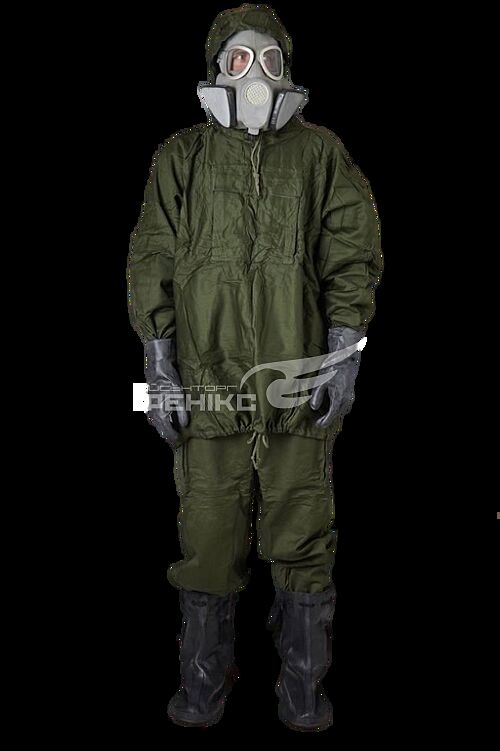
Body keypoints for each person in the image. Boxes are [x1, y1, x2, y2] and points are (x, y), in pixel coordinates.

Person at [127, 2, 383, 732]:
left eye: (269, 59)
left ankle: (302, 691)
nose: (255, 75)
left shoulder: (320, 153)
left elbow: (350, 251)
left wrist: (347, 355)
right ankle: (202, 686)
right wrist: (154, 375)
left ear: (287, 68)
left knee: (304, 534)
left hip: (300, 384)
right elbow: (150, 258)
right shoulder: (180, 156)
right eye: (238, 60)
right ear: (215, 69)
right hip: (205, 388)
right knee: (206, 536)